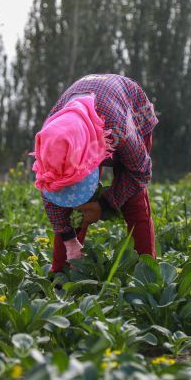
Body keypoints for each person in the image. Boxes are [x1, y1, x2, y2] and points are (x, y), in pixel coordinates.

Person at [31, 74, 158, 273]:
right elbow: (50, 190)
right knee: (75, 207)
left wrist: (105, 204)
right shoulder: (50, 140)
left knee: (134, 202)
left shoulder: (120, 130)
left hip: (128, 112)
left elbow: (140, 172)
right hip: (83, 131)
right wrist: (69, 240)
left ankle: (147, 273)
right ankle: (62, 272)